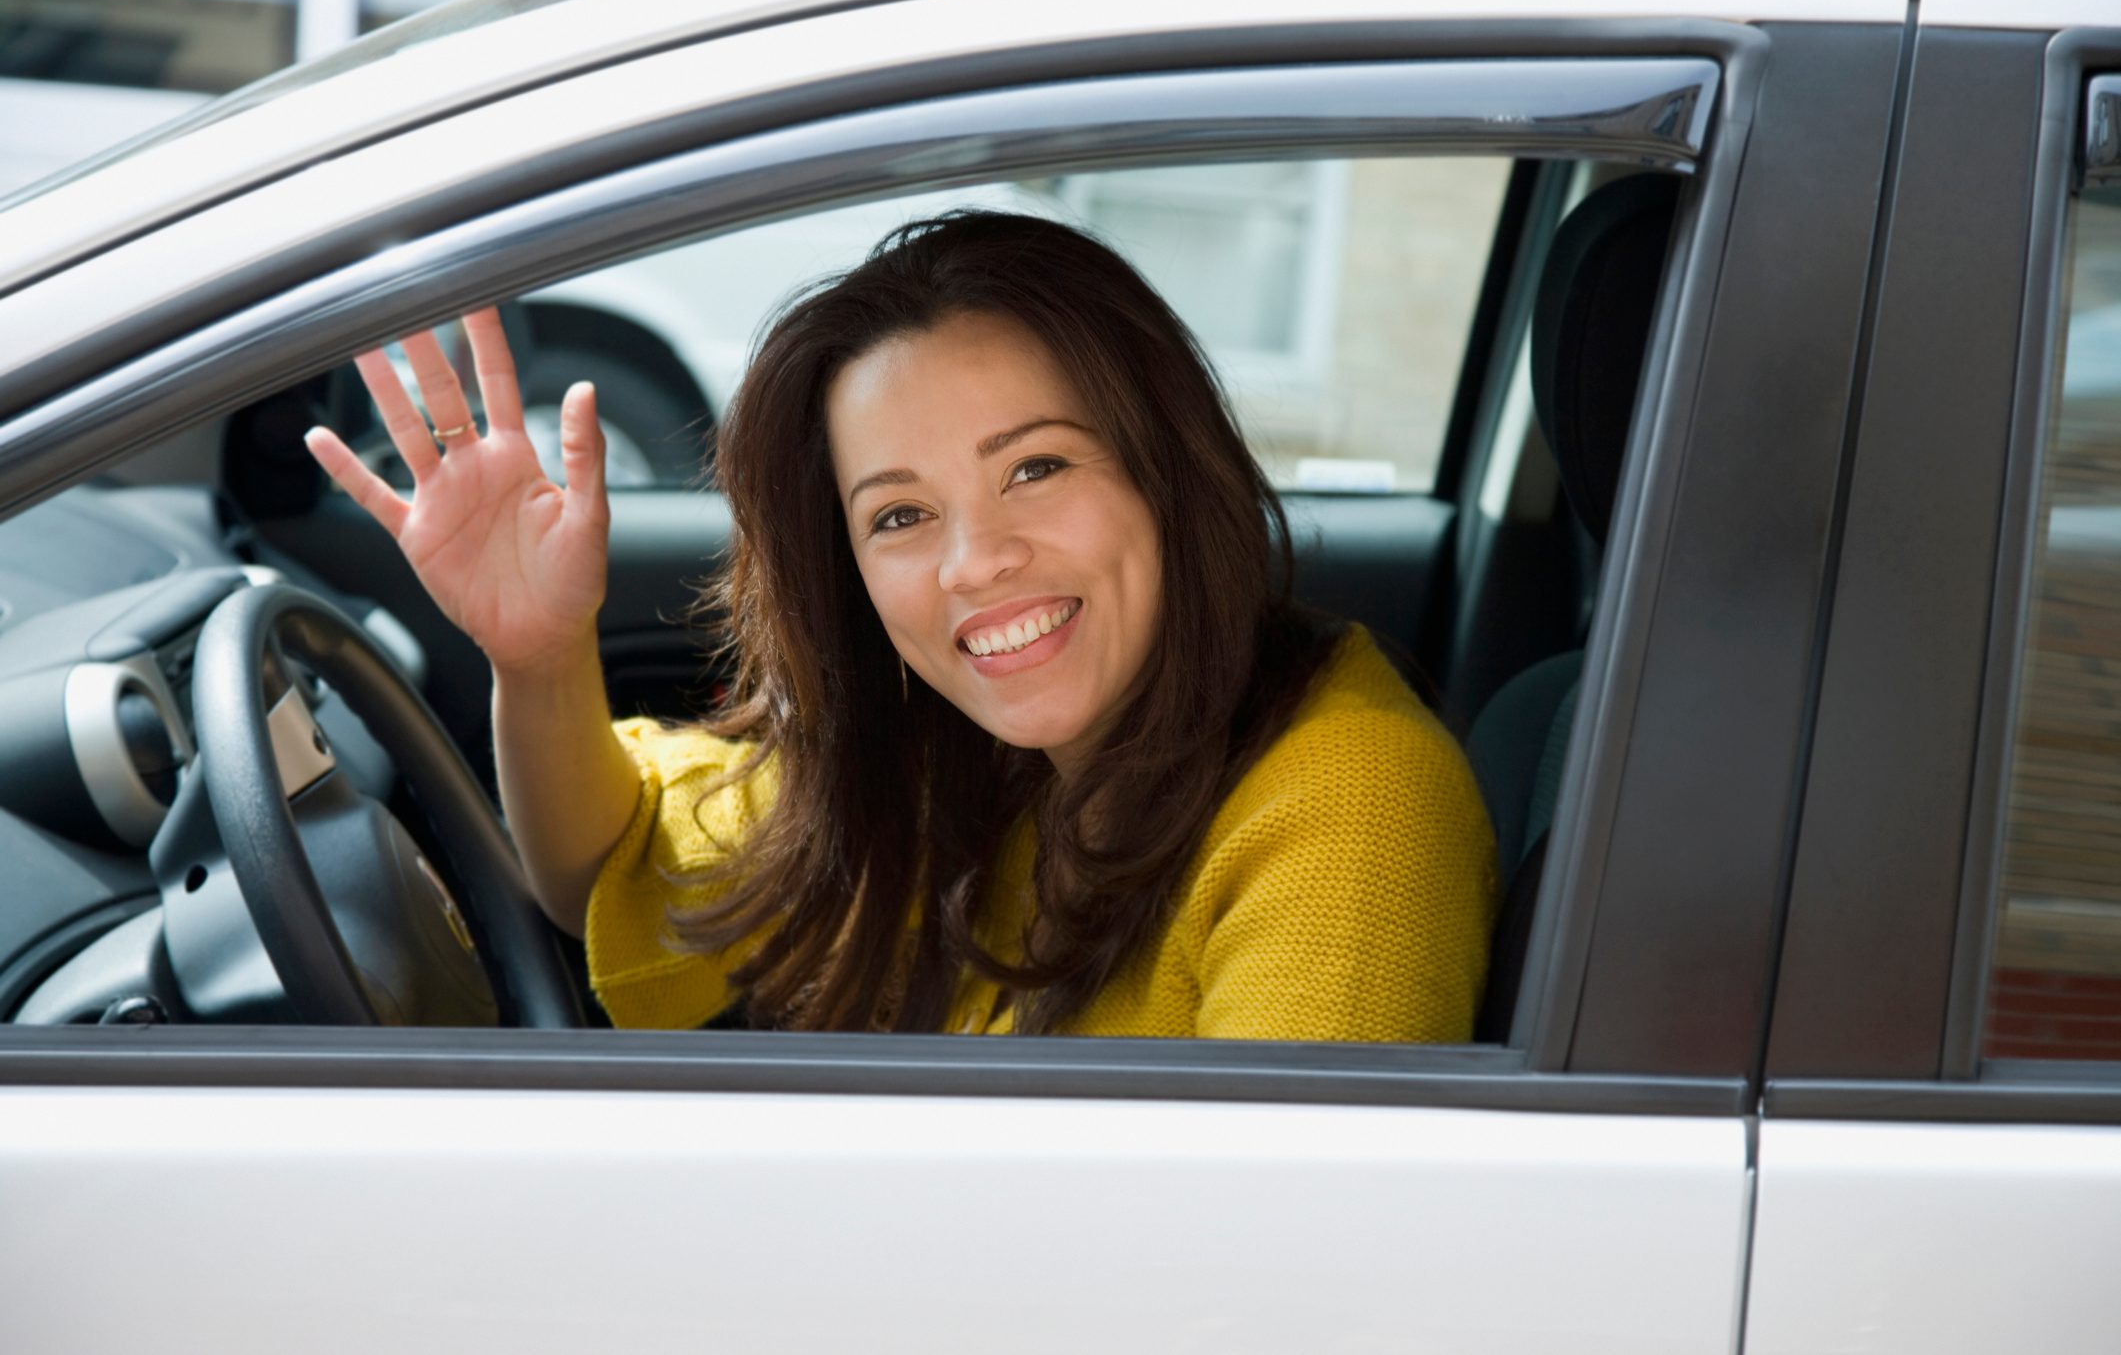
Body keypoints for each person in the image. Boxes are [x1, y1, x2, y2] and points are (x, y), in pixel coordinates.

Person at [304, 210, 1497, 1040]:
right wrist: (540, 652)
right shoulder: (967, 756)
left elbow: (1270, 1285)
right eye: (901, 514)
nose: (976, 564)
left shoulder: (1351, 811)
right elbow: (607, 869)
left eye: (1035, 469)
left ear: (1167, 472)